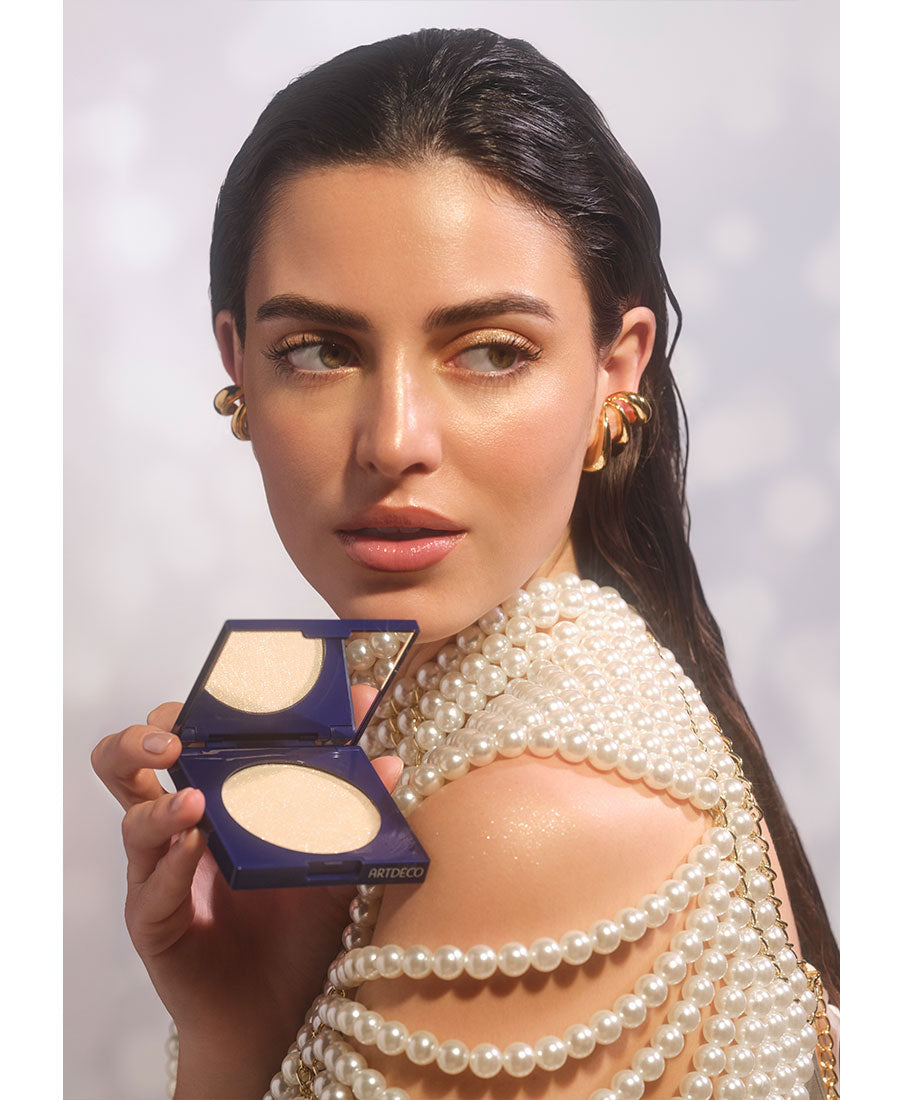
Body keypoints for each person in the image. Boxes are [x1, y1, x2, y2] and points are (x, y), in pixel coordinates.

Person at [91, 27, 838, 1100]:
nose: (394, 437)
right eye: (317, 349)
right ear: (236, 369)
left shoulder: (530, 809)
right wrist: (240, 1021)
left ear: (612, 370)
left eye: (489, 350)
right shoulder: (504, 682)